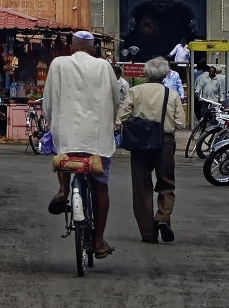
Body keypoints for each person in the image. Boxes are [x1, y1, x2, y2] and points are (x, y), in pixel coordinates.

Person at [43, 30, 120, 259]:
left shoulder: (58, 64)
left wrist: (50, 122)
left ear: (72, 47)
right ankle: (98, 241)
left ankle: (63, 189)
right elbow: (116, 99)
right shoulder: (104, 66)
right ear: (93, 49)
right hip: (98, 139)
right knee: (100, 185)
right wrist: (113, 121)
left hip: (67, 134)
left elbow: (48, 101)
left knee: (65, 154)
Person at [118, 56, 187, 244]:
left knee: (141, 186)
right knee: (166, 183)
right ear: (165, 74)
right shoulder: (171, 94)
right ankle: (163, 217)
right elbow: (180, 123)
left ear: (146, 73)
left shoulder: (135, 91)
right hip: (164, 141)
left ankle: (148, 233)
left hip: (139, 142)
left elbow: (122, 116)